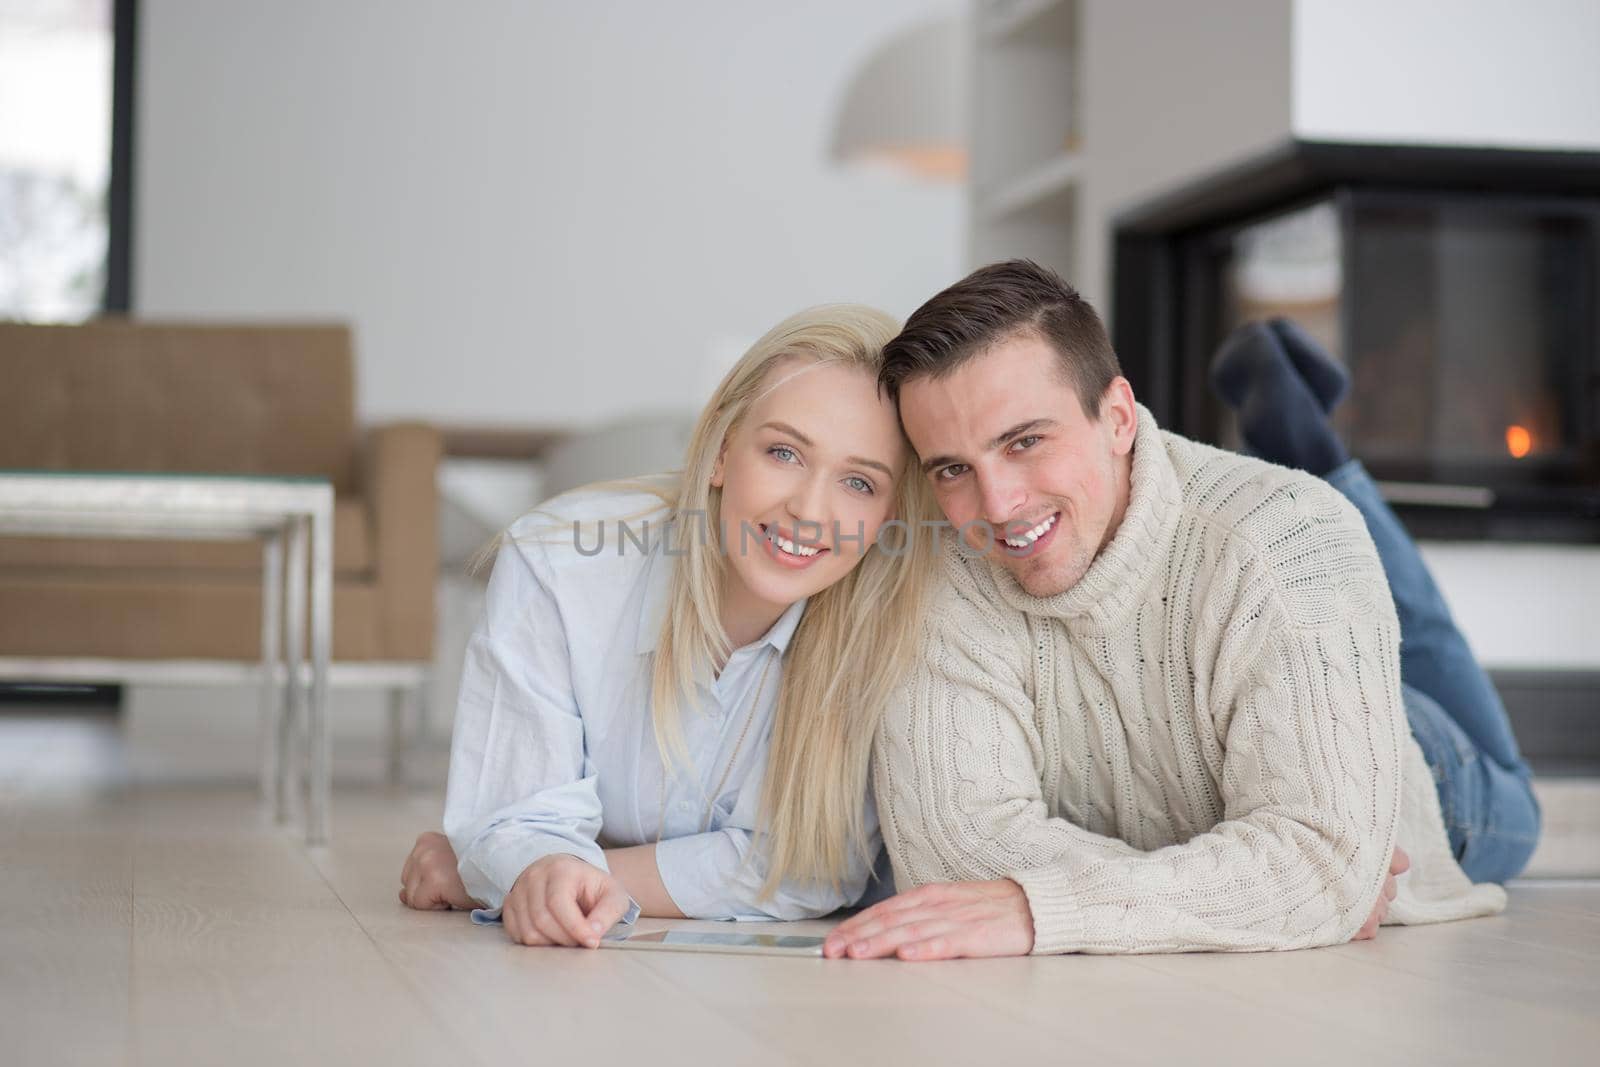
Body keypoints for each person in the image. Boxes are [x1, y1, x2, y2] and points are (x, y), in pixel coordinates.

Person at [823, 260, 1535, 961]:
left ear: (1119, 417)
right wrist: (1256, 884)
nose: (998, 504)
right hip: (1238, 687)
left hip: (1411, 755)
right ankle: (1317, 458)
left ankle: (1329, 467)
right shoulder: (944, 571)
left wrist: (1037, 901)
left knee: (1516, 800)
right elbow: (956, 856)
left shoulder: (1289, 537)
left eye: (1025, 441)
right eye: (952, 468)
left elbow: (1320, 860)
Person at [399, 305, 938, 948]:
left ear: (887, 513)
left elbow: (809, 865)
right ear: (720, 451)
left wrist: (521, 874)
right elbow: (515, 814)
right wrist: (526, 864)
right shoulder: (559, 565)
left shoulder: (892, 621)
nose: (810, 510)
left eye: (858, 481)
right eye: (784, 452)